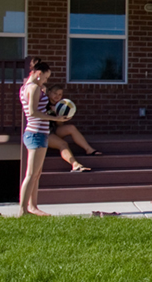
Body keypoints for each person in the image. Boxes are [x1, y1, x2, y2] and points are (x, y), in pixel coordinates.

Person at [18, 58, 68, 216]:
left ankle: (33, 207)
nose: (46, 81)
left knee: (36, 174)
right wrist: (56, 119)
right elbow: (33, 112)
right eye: (45, 77)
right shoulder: (33, 88)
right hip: (35, 133)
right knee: (31, 174)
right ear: (38, 74)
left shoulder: (29, 87)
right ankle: (23, 210)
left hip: (39, 133)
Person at [47, 85, 100, 167]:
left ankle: (89, 149)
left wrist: (58, 115)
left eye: (60, 94)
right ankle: (75, 165)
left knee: (71, 128)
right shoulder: (44, 103)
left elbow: (59, 124)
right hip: (45, 132)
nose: (57, 96)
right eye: (55, 93)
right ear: (49, 93)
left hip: (54, 129)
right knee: (63, 144)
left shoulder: (61, 105)